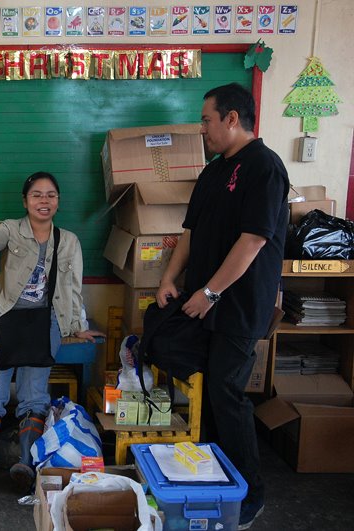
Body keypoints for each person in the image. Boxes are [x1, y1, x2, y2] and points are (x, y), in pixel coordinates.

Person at [154, 83, 288, 530]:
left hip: (239, 305)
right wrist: (169, 278)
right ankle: (217, 481)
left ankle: (250, 493)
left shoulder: (265, 167)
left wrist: (210, 293)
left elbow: (253, 241)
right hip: (202, 303)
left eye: (206, 119)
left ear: (232, 118)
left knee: (227, 393)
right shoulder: (213, 172)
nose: (202, 128)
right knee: (209, 394)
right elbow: (189, 233)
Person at [0, 172, 105, 491]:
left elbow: (72, 288)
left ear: (58, 201)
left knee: (35, 397)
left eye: (51, 195)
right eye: (36, 195)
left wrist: (77, 327)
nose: (44, 201)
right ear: (25, 201)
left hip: (45, 323)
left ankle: (26, 462)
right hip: (4, 320)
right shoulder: (11, 229)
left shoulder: (68, 241)